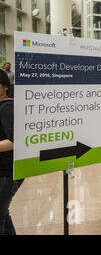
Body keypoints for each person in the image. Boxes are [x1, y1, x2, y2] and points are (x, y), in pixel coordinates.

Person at [0, 70, 23, 235]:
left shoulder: (7, 106)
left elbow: (16, 140)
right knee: (2, 213)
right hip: (5, 171)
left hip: (8, 173)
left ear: (5, 87)